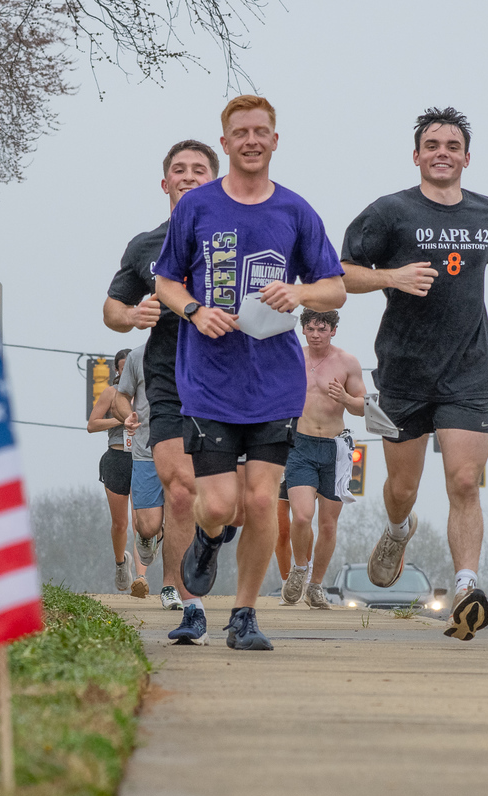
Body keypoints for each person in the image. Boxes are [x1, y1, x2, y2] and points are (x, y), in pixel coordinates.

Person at [154, 94, 346, 651]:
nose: (252, 140)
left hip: (274, 383)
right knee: (215, 505)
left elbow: (334, 286)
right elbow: (166, 281)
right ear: (227, 142)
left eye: (262, 131)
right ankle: (209, 542)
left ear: (275, 140)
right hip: (209, 381)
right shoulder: (197, 208)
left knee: (262, 501)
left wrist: (300, 291)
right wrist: (194, 309)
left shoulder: (295, 211)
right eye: (241, 132)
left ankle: (244, 615)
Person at [341, 106, 488, 641]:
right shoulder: (389, 212)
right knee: (402, 487)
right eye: (433, 144)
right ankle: (399, 529)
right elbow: (339, 274)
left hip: (468, 371)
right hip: (404, 372)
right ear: (417, 155)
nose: (442, 152)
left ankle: (466, 587)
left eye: (452, 145)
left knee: (464, 481)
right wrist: (392, 276)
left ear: (467, 157)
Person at [104, 139, 220, 645]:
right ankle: (182, 596)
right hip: (170, 377)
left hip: (231, 376)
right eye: (180, 169)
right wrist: (132, 315)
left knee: (228, 504)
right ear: (165, 182)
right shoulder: (145, 246)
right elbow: (111, 308)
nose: (189, 175)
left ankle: (214, 540)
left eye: (199, 169)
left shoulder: (238, 233)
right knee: (180, 489)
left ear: (215, 179)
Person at [280, 309, 365, 609]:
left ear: (333, 331)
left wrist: (344, 398)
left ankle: (316, 585)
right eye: (311, 328)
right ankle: (299, 569)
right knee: (301, 515)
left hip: (336, 448)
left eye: (322, 328)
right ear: (303, 330)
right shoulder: (293, 356)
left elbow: (362, 406)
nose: (316, 334)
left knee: (328, 524)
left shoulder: (347, 362)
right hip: (299, 445)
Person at [86, 349, 146, 597]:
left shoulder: (145, 394)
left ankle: (142, 578)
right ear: (117, 370)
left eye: (131, 366)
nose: (127, 371)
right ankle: (122, 563)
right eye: (123, 367)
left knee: (140, 522)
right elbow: (92, 425)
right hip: (116, 457)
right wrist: (120, 420)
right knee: (120, 523)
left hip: (142, 458)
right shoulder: (111, 394)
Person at [111, 340, 165, 588]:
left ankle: (171, 586)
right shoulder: (137, 356)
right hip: (144, 450)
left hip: (185, 450)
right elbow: (121, 397)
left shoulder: (196, 348)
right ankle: (151, 535)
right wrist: (127, 416)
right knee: (146, 525)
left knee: (182, 515)